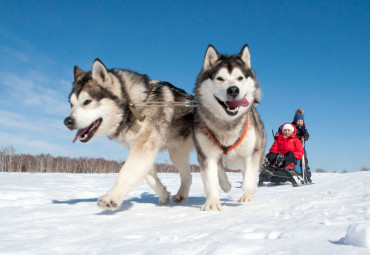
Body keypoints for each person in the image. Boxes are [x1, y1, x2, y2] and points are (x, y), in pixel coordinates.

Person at [292, 108, 312, 182]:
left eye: (301, 121)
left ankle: (307, 176)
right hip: (293, 146)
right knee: (295, 160)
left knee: (304, 161)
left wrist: (304, 134)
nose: (300, 122)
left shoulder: (303, 128)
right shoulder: (292, 128)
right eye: (298, 121)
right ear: (295, 121)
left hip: (301, 147)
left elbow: (307, 137)